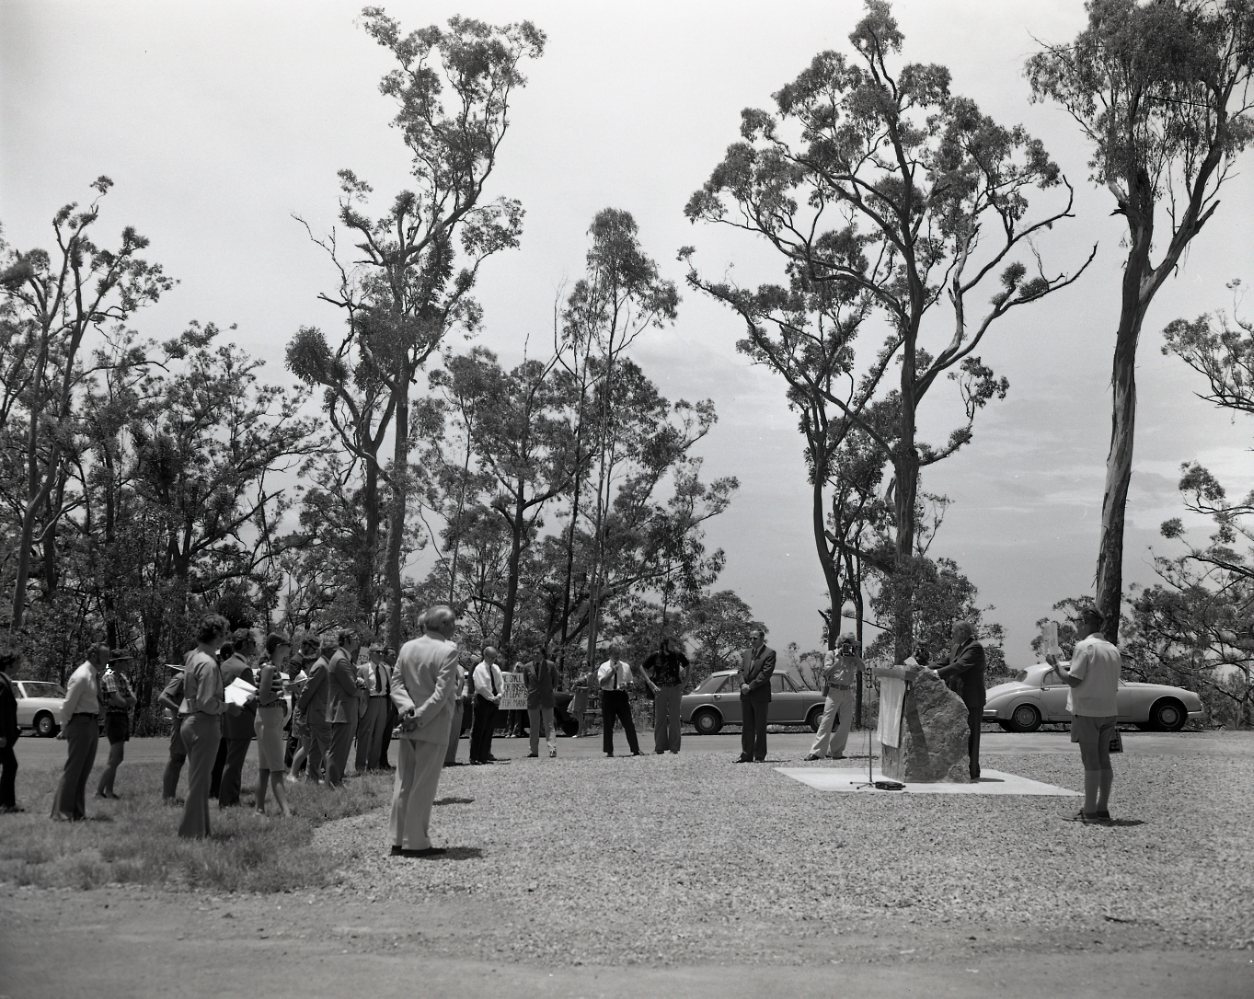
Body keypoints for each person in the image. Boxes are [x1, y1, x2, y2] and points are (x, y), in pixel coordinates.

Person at [389, 604, 460, 857]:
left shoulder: (407, 647)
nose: (454, 628)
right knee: (423, 784)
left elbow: (395, 683)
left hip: (408, 723)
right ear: (444, 625)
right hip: (432, 724)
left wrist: (407, 710)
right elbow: (441, 694)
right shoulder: (448, 651)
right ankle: (416, 841)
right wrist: (418, 718)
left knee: (404, 782)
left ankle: (397, 838)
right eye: (452, 623)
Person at [1047, 607, 1123, 823]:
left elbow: (1074, 680)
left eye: (1078, 622)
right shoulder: (1112, 649)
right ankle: (1102, 808)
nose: (1077, 626)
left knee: (1090, 760)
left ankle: (1089, 811)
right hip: (1109, 710)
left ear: (1086, 623)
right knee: (1103, 759)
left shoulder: (1084, 647)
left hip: (1087, 710)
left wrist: (1055, 667)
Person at [179, 614, 230, 839]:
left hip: (189, 721)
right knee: (200, 782)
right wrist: (225, 707)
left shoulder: (193, 657)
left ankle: (202, 830)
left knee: (200, 779)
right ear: (217, 636)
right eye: (223, 635)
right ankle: (190, 833)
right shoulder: (209, 664)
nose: (224, 639)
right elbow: (207, 702)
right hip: (204, 723)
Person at [51, 643, 109, 821]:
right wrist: (64, 727)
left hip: (91, 724)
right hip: (80, 723)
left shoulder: (93, 675)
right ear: (93, 656)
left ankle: (77, 811)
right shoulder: (82, 676)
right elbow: (68, 704)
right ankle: (61, 813)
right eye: (105, 657)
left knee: (84, 770)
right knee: (74, 769)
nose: (107, 661)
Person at [931, 621, 986, 782]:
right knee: (957, 735)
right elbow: (944, 662)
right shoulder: (957, 647)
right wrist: (923, 668)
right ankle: (957, 769)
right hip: (957, 698)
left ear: (962, 632)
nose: (951, 634)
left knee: (971, 736)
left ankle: (972, 771)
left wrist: (935, 673)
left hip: (971, 699)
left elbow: (959, 666)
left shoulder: (974, 648)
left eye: (954, 631)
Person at [214, 629, 258, 806]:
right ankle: (228, 800)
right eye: (253, 643)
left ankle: (228, 797)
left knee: (229, 761)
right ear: (246, 644)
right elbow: (250, 700)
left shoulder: (224, 665)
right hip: (241, 720)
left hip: (226, 719)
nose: (255, 647)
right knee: (234, 764)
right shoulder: (243, 669)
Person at [804, 633, 862, 761]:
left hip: (847, 691)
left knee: (846, 723)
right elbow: (826, 672)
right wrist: (840, 660)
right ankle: (816, 752)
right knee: (827, 721)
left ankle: (836, 751)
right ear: (840, 643)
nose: (847, 645)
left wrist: (856, 656)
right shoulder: (831, 654)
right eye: (845, 643)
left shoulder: (852, 656)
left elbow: (862, 668)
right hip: (834, 690)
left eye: (850, 643)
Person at [254, 633, 293, 818]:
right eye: (287, 644)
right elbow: (263, 698)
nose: (290, 647)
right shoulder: (269, 669)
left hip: (267, 718)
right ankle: (286, 813)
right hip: (269, 719)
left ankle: (259, 809)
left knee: (264, 768)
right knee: (277, 768)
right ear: (278, 646)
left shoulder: (271, 668)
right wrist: (281, 695)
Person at [95, 651, 137, 799]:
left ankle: (108, 791)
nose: (127, 664)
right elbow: (117, 698)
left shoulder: (122, 678)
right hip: (113, 717)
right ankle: (100, 791)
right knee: (116, 758)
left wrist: (124, 701)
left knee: (115, 758)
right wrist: (125, 701)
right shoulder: (109, 676)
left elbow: (133, 698)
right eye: (125, 661)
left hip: (122, 716)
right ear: (118, 662)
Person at [324, 629, 363, 787]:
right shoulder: (341, 660)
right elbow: (352, 689)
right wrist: (361, 688)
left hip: (345, 710)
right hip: (342, 710)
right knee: (338, 749)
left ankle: (336, 780)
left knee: (343, 749)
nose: (357, 639)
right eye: (354, 637)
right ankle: (332, 782)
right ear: (346, 640)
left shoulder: (344, 659)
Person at [641, 637, 690, 755]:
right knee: (660, 719)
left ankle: (674, 748)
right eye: (672, 645)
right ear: (665, 645)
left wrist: (685, 682)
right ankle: (659, 747)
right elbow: (642, 667)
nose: (674, 647)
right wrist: (650, 683)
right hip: (660, 689)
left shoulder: (678, 654)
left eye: (674, 644)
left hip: (675, 688)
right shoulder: (656, 655)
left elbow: (688, 665)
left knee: (675, 719)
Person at [295, 638, 333, 784]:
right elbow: (308, 690)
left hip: (321, 713)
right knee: (327, 748)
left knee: (315, 749)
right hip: (319, 714)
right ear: (329, 651)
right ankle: (333, 779)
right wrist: (300, 708)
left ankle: (311, 779)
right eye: (335, 651)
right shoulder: (321, 665)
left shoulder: (324, 664)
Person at [597, 644, 642, 758]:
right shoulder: (604, 666)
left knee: (628, 723)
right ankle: (609, 751)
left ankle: (635, 749)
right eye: (615, 654)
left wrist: (628, 685)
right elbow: (601, 683)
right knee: (608, 725)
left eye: (618, 654)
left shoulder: (625, 666)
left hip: (621, 695)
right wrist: (612, 672)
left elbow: (631, 682)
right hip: (608, 695)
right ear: (610, 654)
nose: (617, 656)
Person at [737, 629, 776, 763]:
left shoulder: (769, 653)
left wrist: (750, 686)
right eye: (751, 638)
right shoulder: (747, 653)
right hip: (746, 695)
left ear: (761, 639)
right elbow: (740, 671)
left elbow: (765, 674)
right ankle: (746, 754)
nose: (752, 641)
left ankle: (759, 755)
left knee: (760, 727)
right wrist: (742, 684)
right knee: (747, 726)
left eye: (755, 638)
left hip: (760, 695)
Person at [356, 642, 392, 773]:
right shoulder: (362, 669)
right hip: (369, 702)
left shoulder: (386, 668)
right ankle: (360, 766)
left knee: (379, 735)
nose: (381, 654)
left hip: (383, 702)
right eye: (378, 652)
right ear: (370, 654)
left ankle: (373, 766)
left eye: (383, 652)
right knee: (365, 734)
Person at [157, 667, 188, 805]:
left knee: (181, 761)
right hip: (180, 724)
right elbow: (162, 697)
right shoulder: (181, 677)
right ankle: (167, 797)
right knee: (176, 759)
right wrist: (178, 709)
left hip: (191, 725)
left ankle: (172, 796)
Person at [522, 645, 559, 759]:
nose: (535, 655)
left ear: (543, 654)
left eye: (537, 653)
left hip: (547, 698)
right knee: (533, 726)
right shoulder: (527, 667)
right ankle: (533, 751)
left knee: (549, 725)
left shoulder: (550, 665)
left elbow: (555, 681)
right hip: (533, 699)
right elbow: (526, 683)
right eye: (533, 653)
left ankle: (552, 749)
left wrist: (547, 690)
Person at [469, 647, 503, 765]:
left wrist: (499, 695)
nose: (494, 660)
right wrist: (491, 698)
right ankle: (474, 756)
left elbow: (500, 683)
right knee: (479, 729)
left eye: (495, 657)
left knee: (489, 729)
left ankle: (484, 756)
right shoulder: (479, 669)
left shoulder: (496, 668)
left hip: (494, 701)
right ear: (486, 656)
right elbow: (481, 686)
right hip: (483, 700)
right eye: (492, 657)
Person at [0, 648, 23, 813]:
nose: (20, 665)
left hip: (6, 735)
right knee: (11, 765)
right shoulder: (1, 682)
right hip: (2, 737)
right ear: (9, 664)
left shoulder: (5, 680)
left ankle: (6, 803)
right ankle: (7, 804)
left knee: (10, 765)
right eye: (18, 662)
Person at [443, 659, 469, 767]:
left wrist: (463, 695)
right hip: (445, 703)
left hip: (458, 703)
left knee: (455, 732)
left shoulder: (460, 668)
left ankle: (450, 759)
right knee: (444, 732)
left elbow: (465, 684)